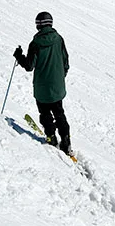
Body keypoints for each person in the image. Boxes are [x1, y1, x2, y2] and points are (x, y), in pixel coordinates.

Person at [13, 11, 72, 156]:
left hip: (42, 87)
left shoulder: (35, 44)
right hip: (57, 86)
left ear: (38, 25)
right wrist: (60, 76)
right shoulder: (59, 39)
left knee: (45, 113)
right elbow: (65, 60)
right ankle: (66, 141)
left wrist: (19, 56)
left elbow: (29, 66)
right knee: (60, 114)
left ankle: (51, 138)